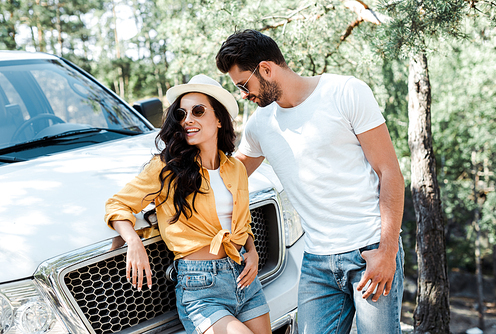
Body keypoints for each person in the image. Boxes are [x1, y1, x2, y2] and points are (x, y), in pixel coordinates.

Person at [216, 29, 405, 334]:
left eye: (243, 84)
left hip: (369, 250)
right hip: (317, 263)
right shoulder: (260, 126)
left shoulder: (345, 92)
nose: (243, 94)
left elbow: (390, 173)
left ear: (265, 69)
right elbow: (226, 176)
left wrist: (388, 251)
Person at [104, 74, 272, 334]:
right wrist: (133, 242)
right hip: (200, 286)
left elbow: (241, 222)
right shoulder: (167, 168)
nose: (188, 120)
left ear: (218, 118)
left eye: (198, 111)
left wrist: (253, 251)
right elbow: (118, 204)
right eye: (181, 113)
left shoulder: (235, 168)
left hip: (244, 278)